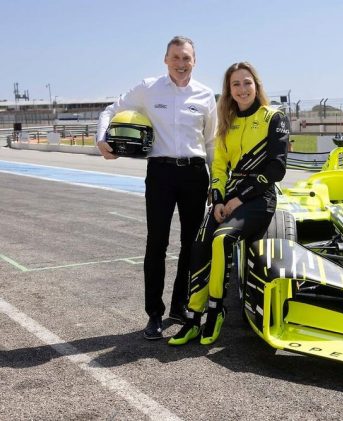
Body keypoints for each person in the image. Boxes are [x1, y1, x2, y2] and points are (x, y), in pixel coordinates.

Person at [95, 36, 217, 340]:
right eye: (175, 57)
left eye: (186, 58)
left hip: (195, 174)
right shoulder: (149, 88)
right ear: (165, 60)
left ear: (194, 61)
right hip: (160, 173)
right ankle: (154, 314)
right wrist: (102, 139)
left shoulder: (205, 95)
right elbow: (109, 110)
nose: (181, 63)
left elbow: (212, 143)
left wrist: (216, 183)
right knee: (156, 244)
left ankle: (179, 306)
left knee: (191, 244)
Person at [168, 62, 289, 346]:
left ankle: (215, 311)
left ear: (256, 85)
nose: (242, 89)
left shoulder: (274, 117)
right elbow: (220, 166)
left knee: (222, 240)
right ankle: (193, 318)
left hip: (260, 198)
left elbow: (276, 168)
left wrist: (238, 198)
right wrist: (219, 199)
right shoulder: (227, 123)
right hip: (230, 198)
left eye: (247, 83)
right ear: (229, 90)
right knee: (200, 242)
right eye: (236, 84)